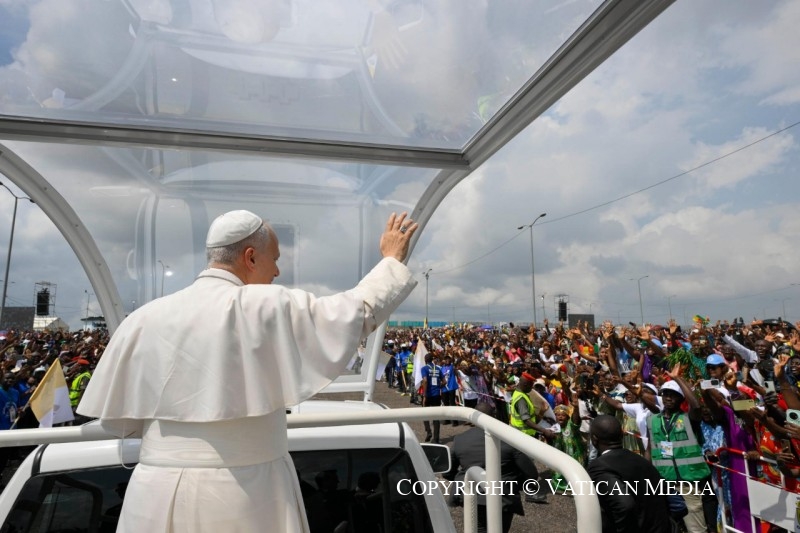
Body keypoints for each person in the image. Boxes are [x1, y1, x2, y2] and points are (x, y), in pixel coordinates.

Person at [77, 210, 419, 532]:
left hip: (152, 495)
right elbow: (356, 313)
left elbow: (121, 422)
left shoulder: (141, 319)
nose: (277, 272)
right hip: (244, 492)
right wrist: (391, 260)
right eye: (276, 260)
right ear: (251, 257)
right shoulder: (264, 305)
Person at [443, 402, 543, 533]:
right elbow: (531, 474)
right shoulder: (509, 439)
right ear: (494, 417)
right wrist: (514, 484)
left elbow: (447, 471)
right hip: (502, 498)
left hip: (470, 496)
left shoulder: (460, 439)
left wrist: (463, 478)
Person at [587, 415, 674, 533]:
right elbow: (671, 496)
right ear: (622, 435)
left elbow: (624, 506)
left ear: (594, 439)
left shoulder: (599, 466)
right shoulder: (642, 461)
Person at [421, 352, 442, 442]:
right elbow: (444, 381)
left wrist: (425, 395)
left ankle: (428, 431)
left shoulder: (424, 368)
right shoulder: (438, 369)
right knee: (436, 417)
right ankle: (436, 438)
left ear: (425, 360)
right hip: (437, 395)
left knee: (424, 414)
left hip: (428, 394)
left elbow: (425, 381)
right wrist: (438, 386)